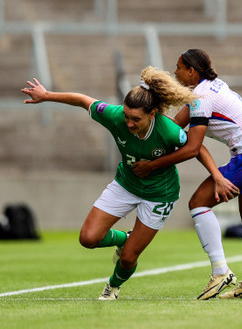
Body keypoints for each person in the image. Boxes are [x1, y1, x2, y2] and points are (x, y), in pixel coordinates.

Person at [20, 67, 228, 300]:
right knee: (88, 239)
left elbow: (196, 148)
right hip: (125, 185)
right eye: (127, 116)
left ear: (152, 115)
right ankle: (125, 239)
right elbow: (83, 100)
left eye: (135, 119)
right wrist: (47, 96)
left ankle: (113, 286)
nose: (128, 123)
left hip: (159, 194)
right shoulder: (115, 115)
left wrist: (217, 176)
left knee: (129, 258)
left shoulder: (168, 130)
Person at [131, 49, 242, 299]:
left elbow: (192, 148)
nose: (175, 72)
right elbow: (174, 125)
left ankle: (220, 271)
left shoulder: (201, 95)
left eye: (179, 67)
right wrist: (150, 110)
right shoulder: (210, 87)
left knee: (198, 203)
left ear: (192, 71)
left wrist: (151, 165)